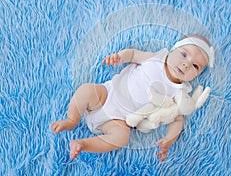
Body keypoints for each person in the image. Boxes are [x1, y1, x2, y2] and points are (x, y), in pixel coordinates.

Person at [51, 34, 214, 162]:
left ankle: (84, 144)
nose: (186, 64)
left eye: (195, 66)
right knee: (86, 90)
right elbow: (134, 54)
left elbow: (178, 120)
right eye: (184, 54)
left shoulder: (179, 93)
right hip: (107, 95)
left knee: (121, 138)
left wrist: (168, 140)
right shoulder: (155, 59)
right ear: (172, 50)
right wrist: (119, 57)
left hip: (119, 120)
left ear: (197, 74)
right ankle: (72, 120)